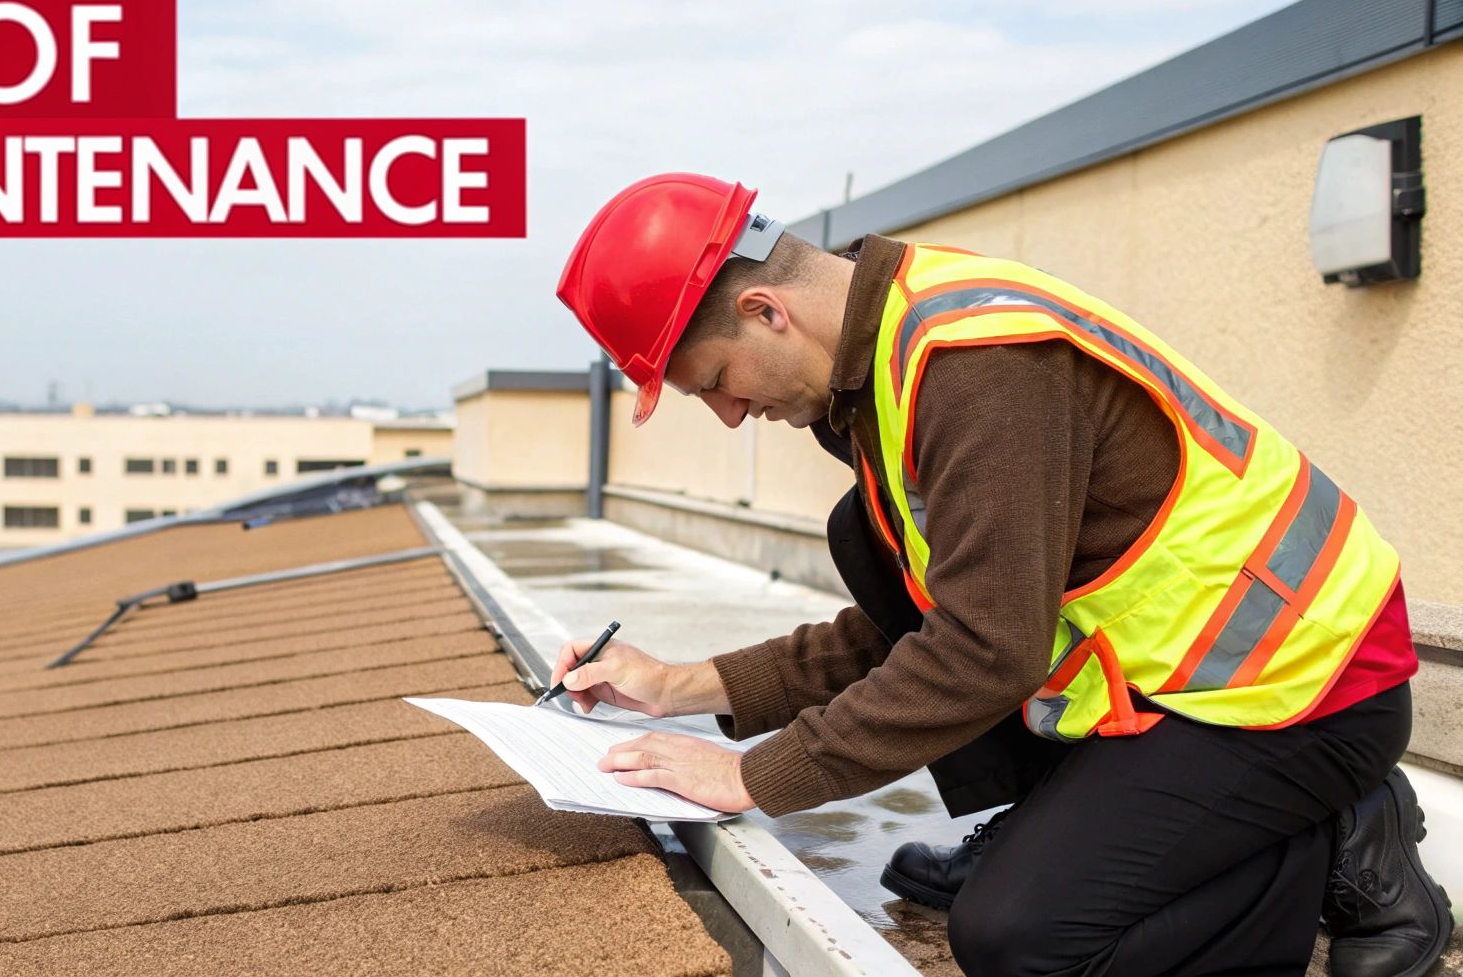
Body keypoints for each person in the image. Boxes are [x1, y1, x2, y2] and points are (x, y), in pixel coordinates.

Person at [548, 172, 1452, 976]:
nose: (730, 415)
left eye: (712, 381)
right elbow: (924, 618)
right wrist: (682, 686)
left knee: (1019, 939)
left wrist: (758, 776)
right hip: (1183, 679)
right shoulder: (887, 353)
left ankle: (1325, 828)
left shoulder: (975, 366)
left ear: (764, 312)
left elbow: (986, 647)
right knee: (868, 544)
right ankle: (1103, 814)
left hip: (1304, 684)